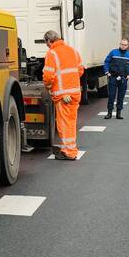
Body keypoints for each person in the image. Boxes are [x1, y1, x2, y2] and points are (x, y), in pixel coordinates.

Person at [42, 30, 84, 160]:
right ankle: (69, 149)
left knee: (64, 124)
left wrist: (49, 87)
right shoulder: (73, 51)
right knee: (71, 122)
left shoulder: (52, 53)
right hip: (75, 93)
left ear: (49, 41)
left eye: (46, 43)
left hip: (62, 95)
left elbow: (48, 76)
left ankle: (69, 152)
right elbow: (80, 70)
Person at [103, 39, 129, 120]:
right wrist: (107, 72)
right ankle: (109, 113)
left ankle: (118, 113)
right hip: (113, 77)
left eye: (125, 45)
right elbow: (106, 62)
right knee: (111, 96)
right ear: (120, 44)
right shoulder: (113, 52)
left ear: (127, 46)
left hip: (124, 78)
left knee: (121, 97)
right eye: (122, 44)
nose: (123, 46)